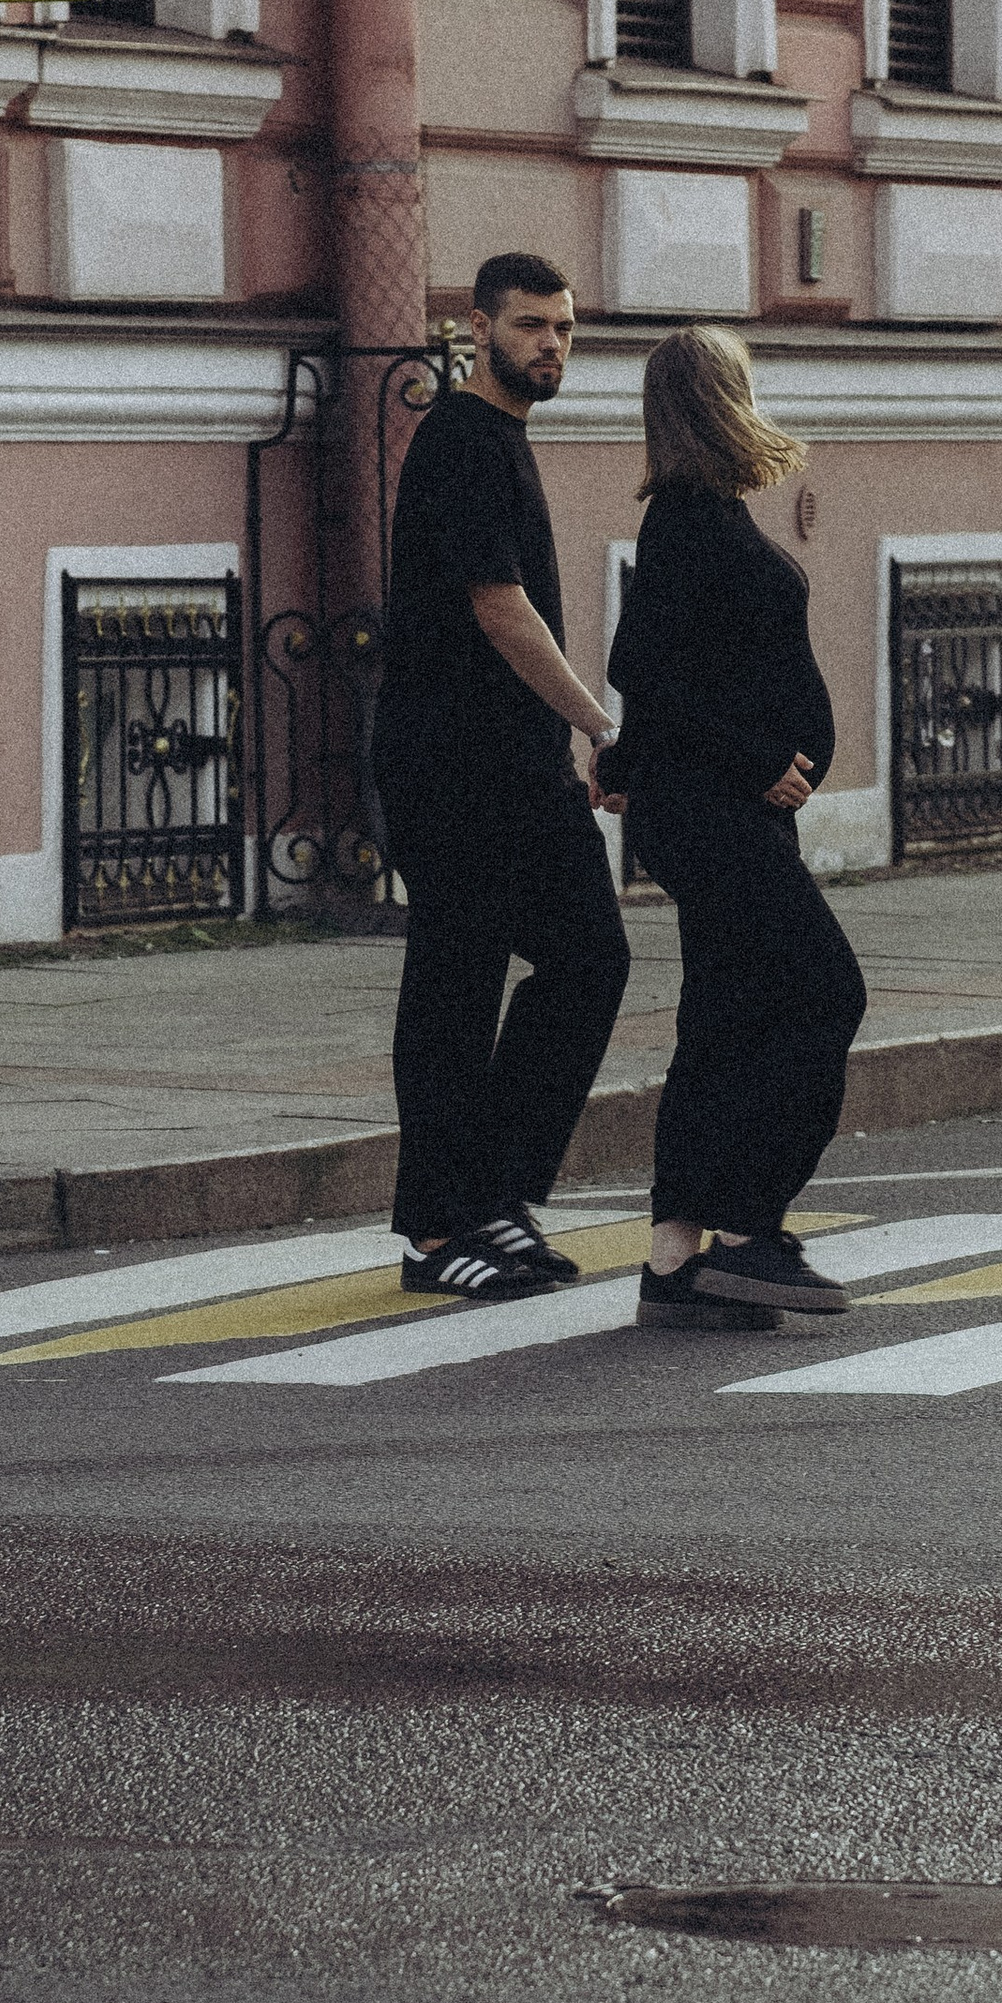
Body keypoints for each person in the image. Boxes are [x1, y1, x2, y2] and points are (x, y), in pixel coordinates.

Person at [368, 253, 632, 1303]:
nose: (551, 345)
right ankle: (436, 1233)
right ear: (478, 330)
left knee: (590, 958)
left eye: (563, 328)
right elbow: (497, 606)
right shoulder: (461, 439)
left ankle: (493, 1192)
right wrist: (599, 723)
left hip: (518, 766)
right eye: (530, 326)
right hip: (450, 768)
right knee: (455, 987)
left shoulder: (503, 440)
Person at [596, 327, 867, 1332]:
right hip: (715, 812)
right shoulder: (688, 519)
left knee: (723, 1016)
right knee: (823, 991)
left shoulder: (703, 514)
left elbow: (680, 667)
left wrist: (629, 762)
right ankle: (750, 1230)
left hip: (713, 807)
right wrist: (756, 759)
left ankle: (675, 1260)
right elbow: (642, 664)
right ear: (723, 398)